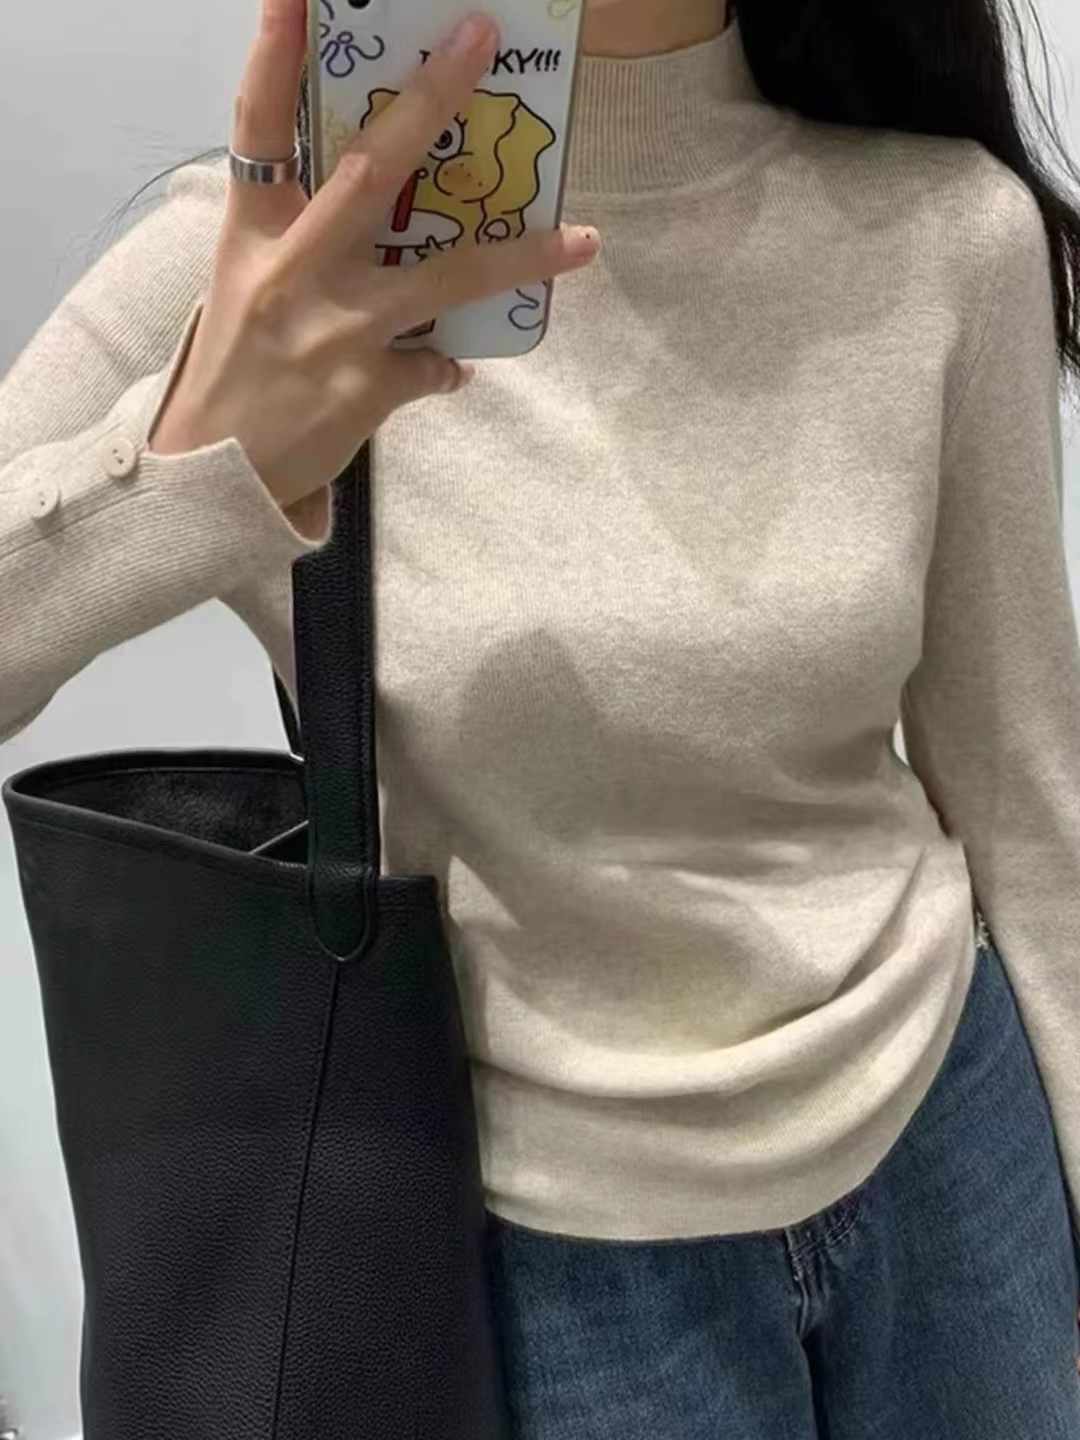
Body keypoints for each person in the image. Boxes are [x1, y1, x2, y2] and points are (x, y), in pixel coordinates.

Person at [3, 0, 1080, 1432]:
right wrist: (186, 465)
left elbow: (1029, 801)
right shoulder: (285, 267)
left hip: (959, 1155)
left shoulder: (948, 232)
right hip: (559, 1264)